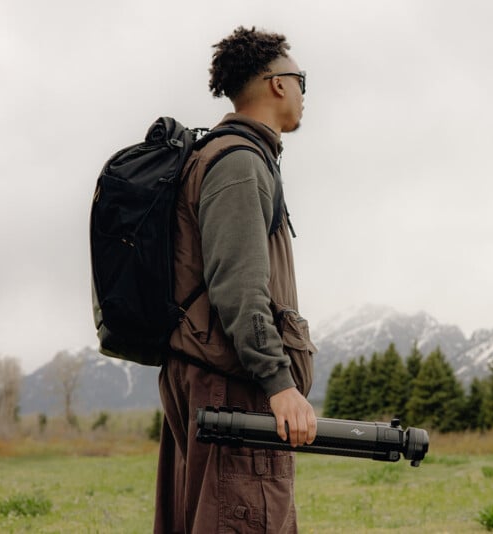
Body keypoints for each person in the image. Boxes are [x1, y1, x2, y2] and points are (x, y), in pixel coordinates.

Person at [154, 26, 318, 533]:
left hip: (212, 378)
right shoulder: (241, 163)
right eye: (301, 80)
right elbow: (239, 287)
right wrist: (279, 382)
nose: (304, 93)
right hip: (232, 384)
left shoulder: (228, 157)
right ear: (277, 84)